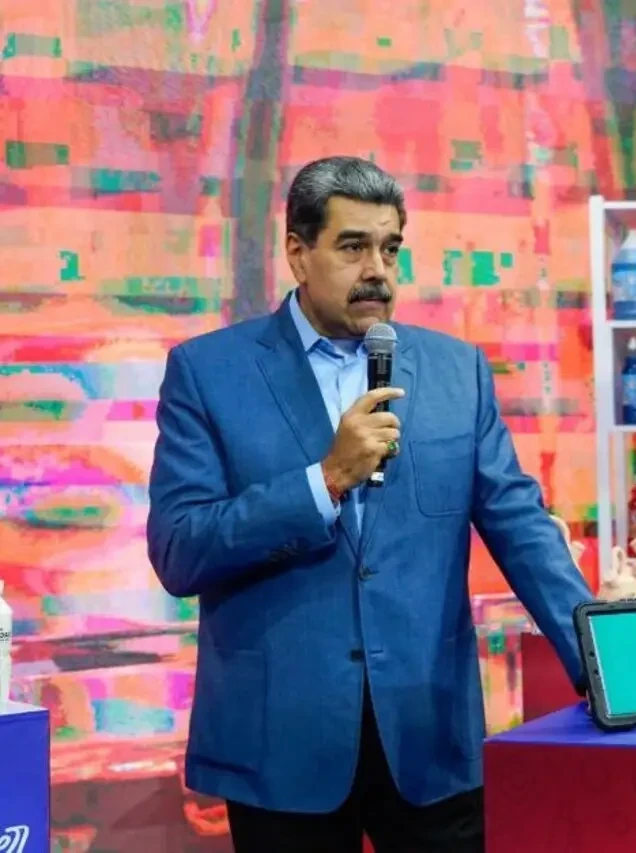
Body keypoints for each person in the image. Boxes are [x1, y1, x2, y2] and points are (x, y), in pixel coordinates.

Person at [146, 156, 594, 852]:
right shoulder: (209, 372)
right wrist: (324, 480)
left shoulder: (456, 371)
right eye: (353, 247)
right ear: (298, 252)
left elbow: (522, 527)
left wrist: (602, 665)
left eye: (390, 249)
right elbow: (180, 547)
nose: (377, 271)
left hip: (429, 737)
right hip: (281, 743)